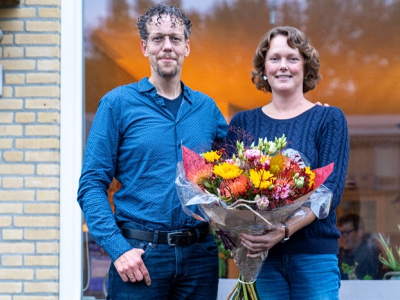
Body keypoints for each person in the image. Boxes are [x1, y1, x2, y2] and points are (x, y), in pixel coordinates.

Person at [77, 3, 227, 299]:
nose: (167, 46)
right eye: (158, 39)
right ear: (145, 47)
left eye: (175, 38)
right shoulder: (117, 104)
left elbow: (236, 170)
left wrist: (302, 113)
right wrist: (119, 250)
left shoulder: (207, 109)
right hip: (140, 256)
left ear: (187, 47)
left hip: (199, 257)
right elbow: (91, 185)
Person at [226, 26, 350, 299]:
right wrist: (239, 237)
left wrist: (283, 231)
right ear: (263, 68)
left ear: (306, 66)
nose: (283, 66)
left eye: (292, 58)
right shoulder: (242, 124)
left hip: (314, 256)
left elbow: (330, 192)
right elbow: (226, 192)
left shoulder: (328, 119)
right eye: (275, 58)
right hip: (263, 261)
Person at [337, 213, 383, 280]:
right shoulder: (339, 254)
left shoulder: (371, 252)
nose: (342, 237)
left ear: (359, 232)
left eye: (346, 232)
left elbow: (370, 281)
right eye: (340, 233)